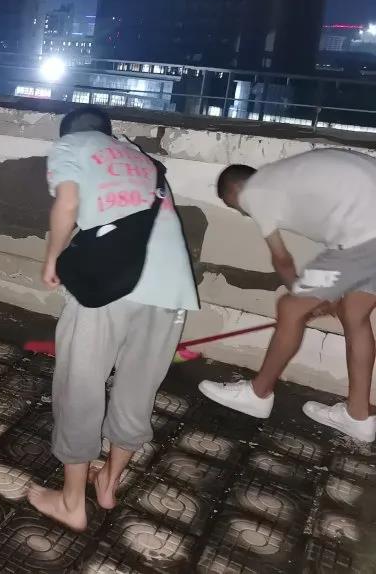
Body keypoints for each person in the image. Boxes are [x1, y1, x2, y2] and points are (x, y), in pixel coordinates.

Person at [31, 106, 199, 531]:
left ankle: (71, 502)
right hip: (172, 287)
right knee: (139, 385)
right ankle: (108, 482)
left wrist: (52, 258)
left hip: (111, 285)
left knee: (80, 384)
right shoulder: (142, 159)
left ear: (67, 132)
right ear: (110, 131)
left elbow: (68, 203)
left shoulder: (70, 145)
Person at [200, 149, 376, 442]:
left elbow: (282, 260)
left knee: (290, 308)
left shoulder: (256, 191)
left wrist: (302, 297)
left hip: (365, 234)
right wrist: (326, 294)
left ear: (236, 190)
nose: (243, 213)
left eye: (236, 207)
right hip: (364, 231)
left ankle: (258, 394)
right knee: (354, 313)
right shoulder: (288, 179)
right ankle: (358, 416)